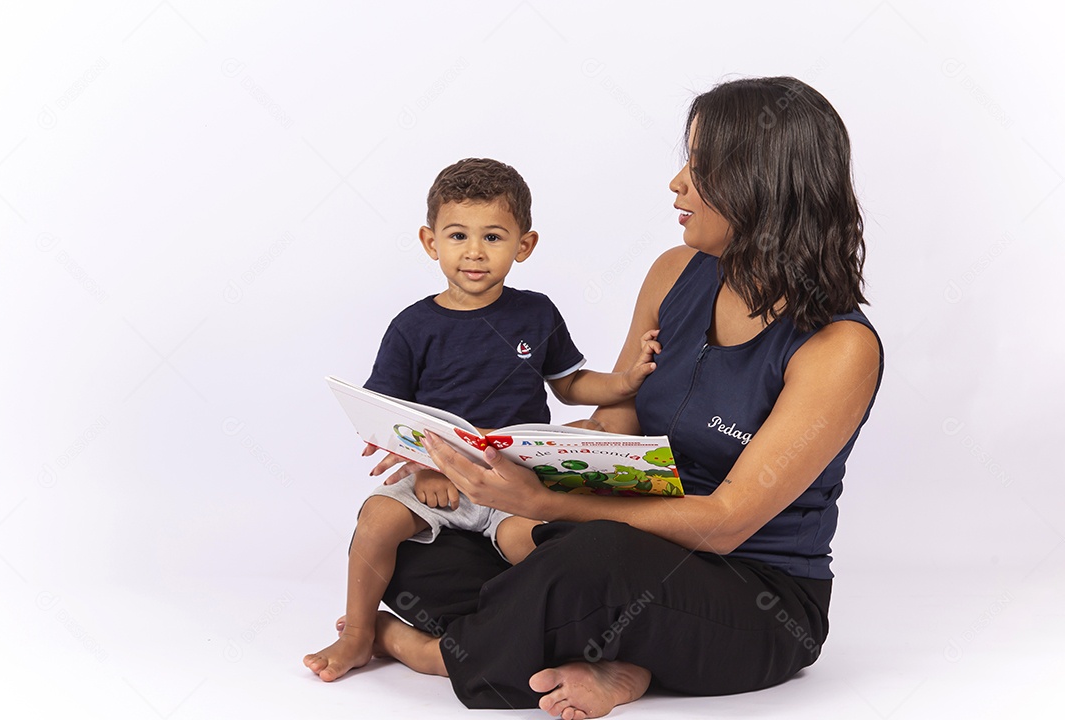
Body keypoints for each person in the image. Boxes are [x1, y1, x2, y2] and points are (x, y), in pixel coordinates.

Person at [363, 76, 885, 720]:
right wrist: (516, 457)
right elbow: (622, 417)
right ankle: (619, 660)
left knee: (591, 557)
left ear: (763, 182)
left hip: (754, 595)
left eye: (700, 166)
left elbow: (726, 523)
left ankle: (437, 652)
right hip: (622, 545)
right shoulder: (674, 271)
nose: (677, 184)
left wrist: (549, 502)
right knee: (422, 542)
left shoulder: (837, 347)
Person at [303, 158, 661, 683]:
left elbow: (569, 383)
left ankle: (546, 633)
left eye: (493, 236)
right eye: (457, 236)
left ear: (524, 245)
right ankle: (358, 632)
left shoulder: (536, 313)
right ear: (430, 242)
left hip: (514, 481)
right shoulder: (413, 326)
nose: (474, 252)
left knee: (534, 545)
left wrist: (624, 383)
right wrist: (423, 468)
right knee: (378, 519)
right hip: (439, 478)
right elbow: (387, 417)